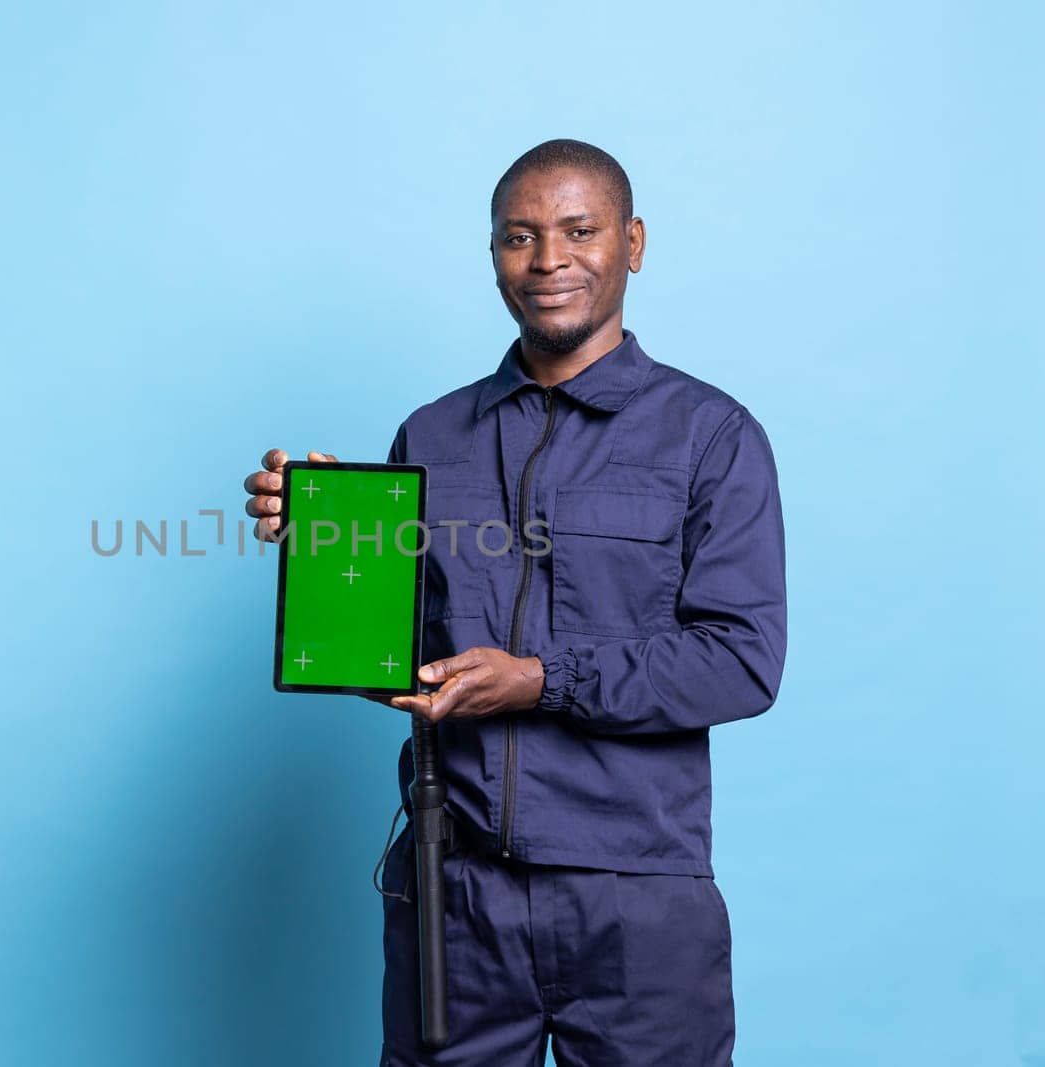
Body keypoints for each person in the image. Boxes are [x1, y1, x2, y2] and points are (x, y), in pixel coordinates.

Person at [241, 139, 787, 1067]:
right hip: (453, 897)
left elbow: (740, 659)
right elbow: (399, 661)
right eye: (518, 237)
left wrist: (537, 680)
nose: (548, 261)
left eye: (580, 231)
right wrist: (334, 540)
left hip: (638, 899)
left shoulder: (712, 437)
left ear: (635, 243)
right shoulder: (432, 433)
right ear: (493, 251)